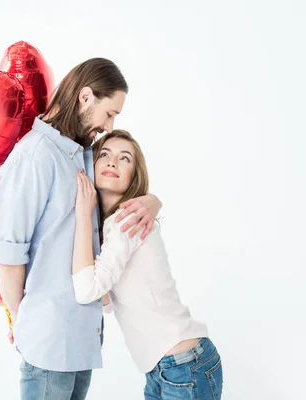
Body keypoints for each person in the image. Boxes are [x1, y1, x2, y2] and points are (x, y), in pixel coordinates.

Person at [0, 58, 163, 400]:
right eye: (109, 113)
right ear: (85, 98)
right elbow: (7, 254)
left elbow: (124, 184)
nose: (108, 126)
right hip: (49, 343)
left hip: (80, 343)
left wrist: (154, 201)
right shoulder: (36, 156)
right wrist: (23, 323)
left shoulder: (81, 154)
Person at [72, 129, 223, 400]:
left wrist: (83, 215)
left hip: (182, 365)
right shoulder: (113, 226)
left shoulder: (125, 220)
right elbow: (105, 301)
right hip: (167, 367)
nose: (112, 162)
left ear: (134, 175)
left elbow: (87, 291)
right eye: (104, 154)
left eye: (124, 158)